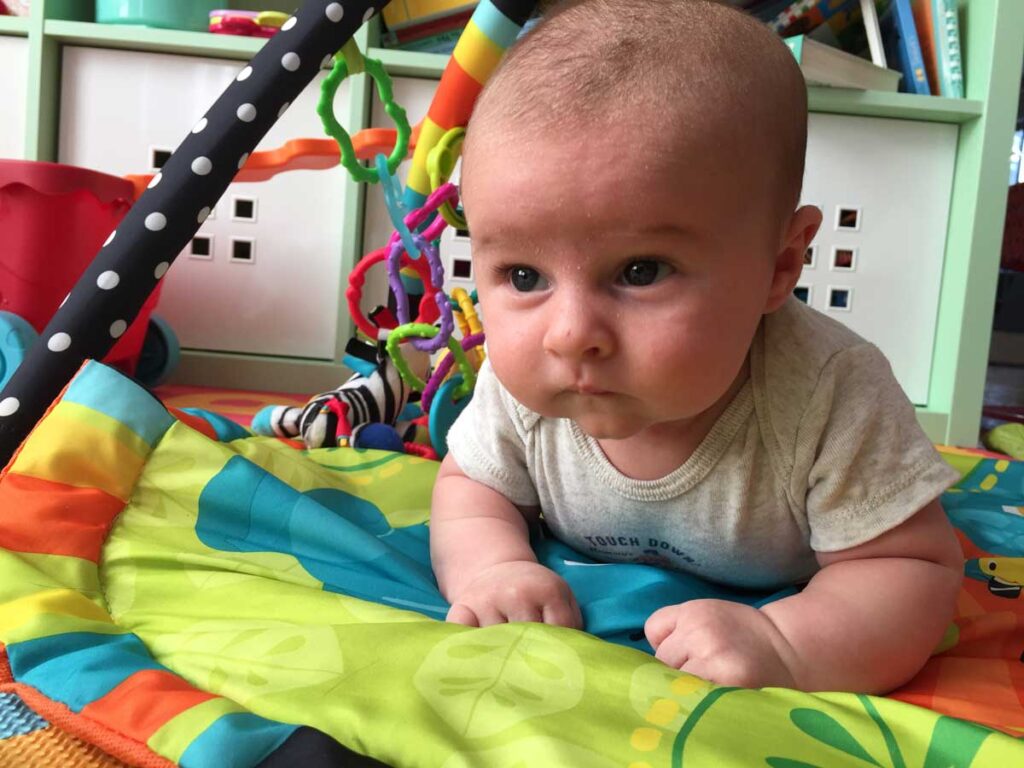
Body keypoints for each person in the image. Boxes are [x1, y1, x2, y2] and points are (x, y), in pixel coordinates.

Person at [429, 0, 963, 693]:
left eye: (640, 271)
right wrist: (493, 567)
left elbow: (911, 569)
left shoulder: (830, 394)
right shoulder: (522, 386)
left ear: (779, 265)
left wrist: (788, 645)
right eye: (524, 276)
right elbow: (470, 488)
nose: (569, 334)